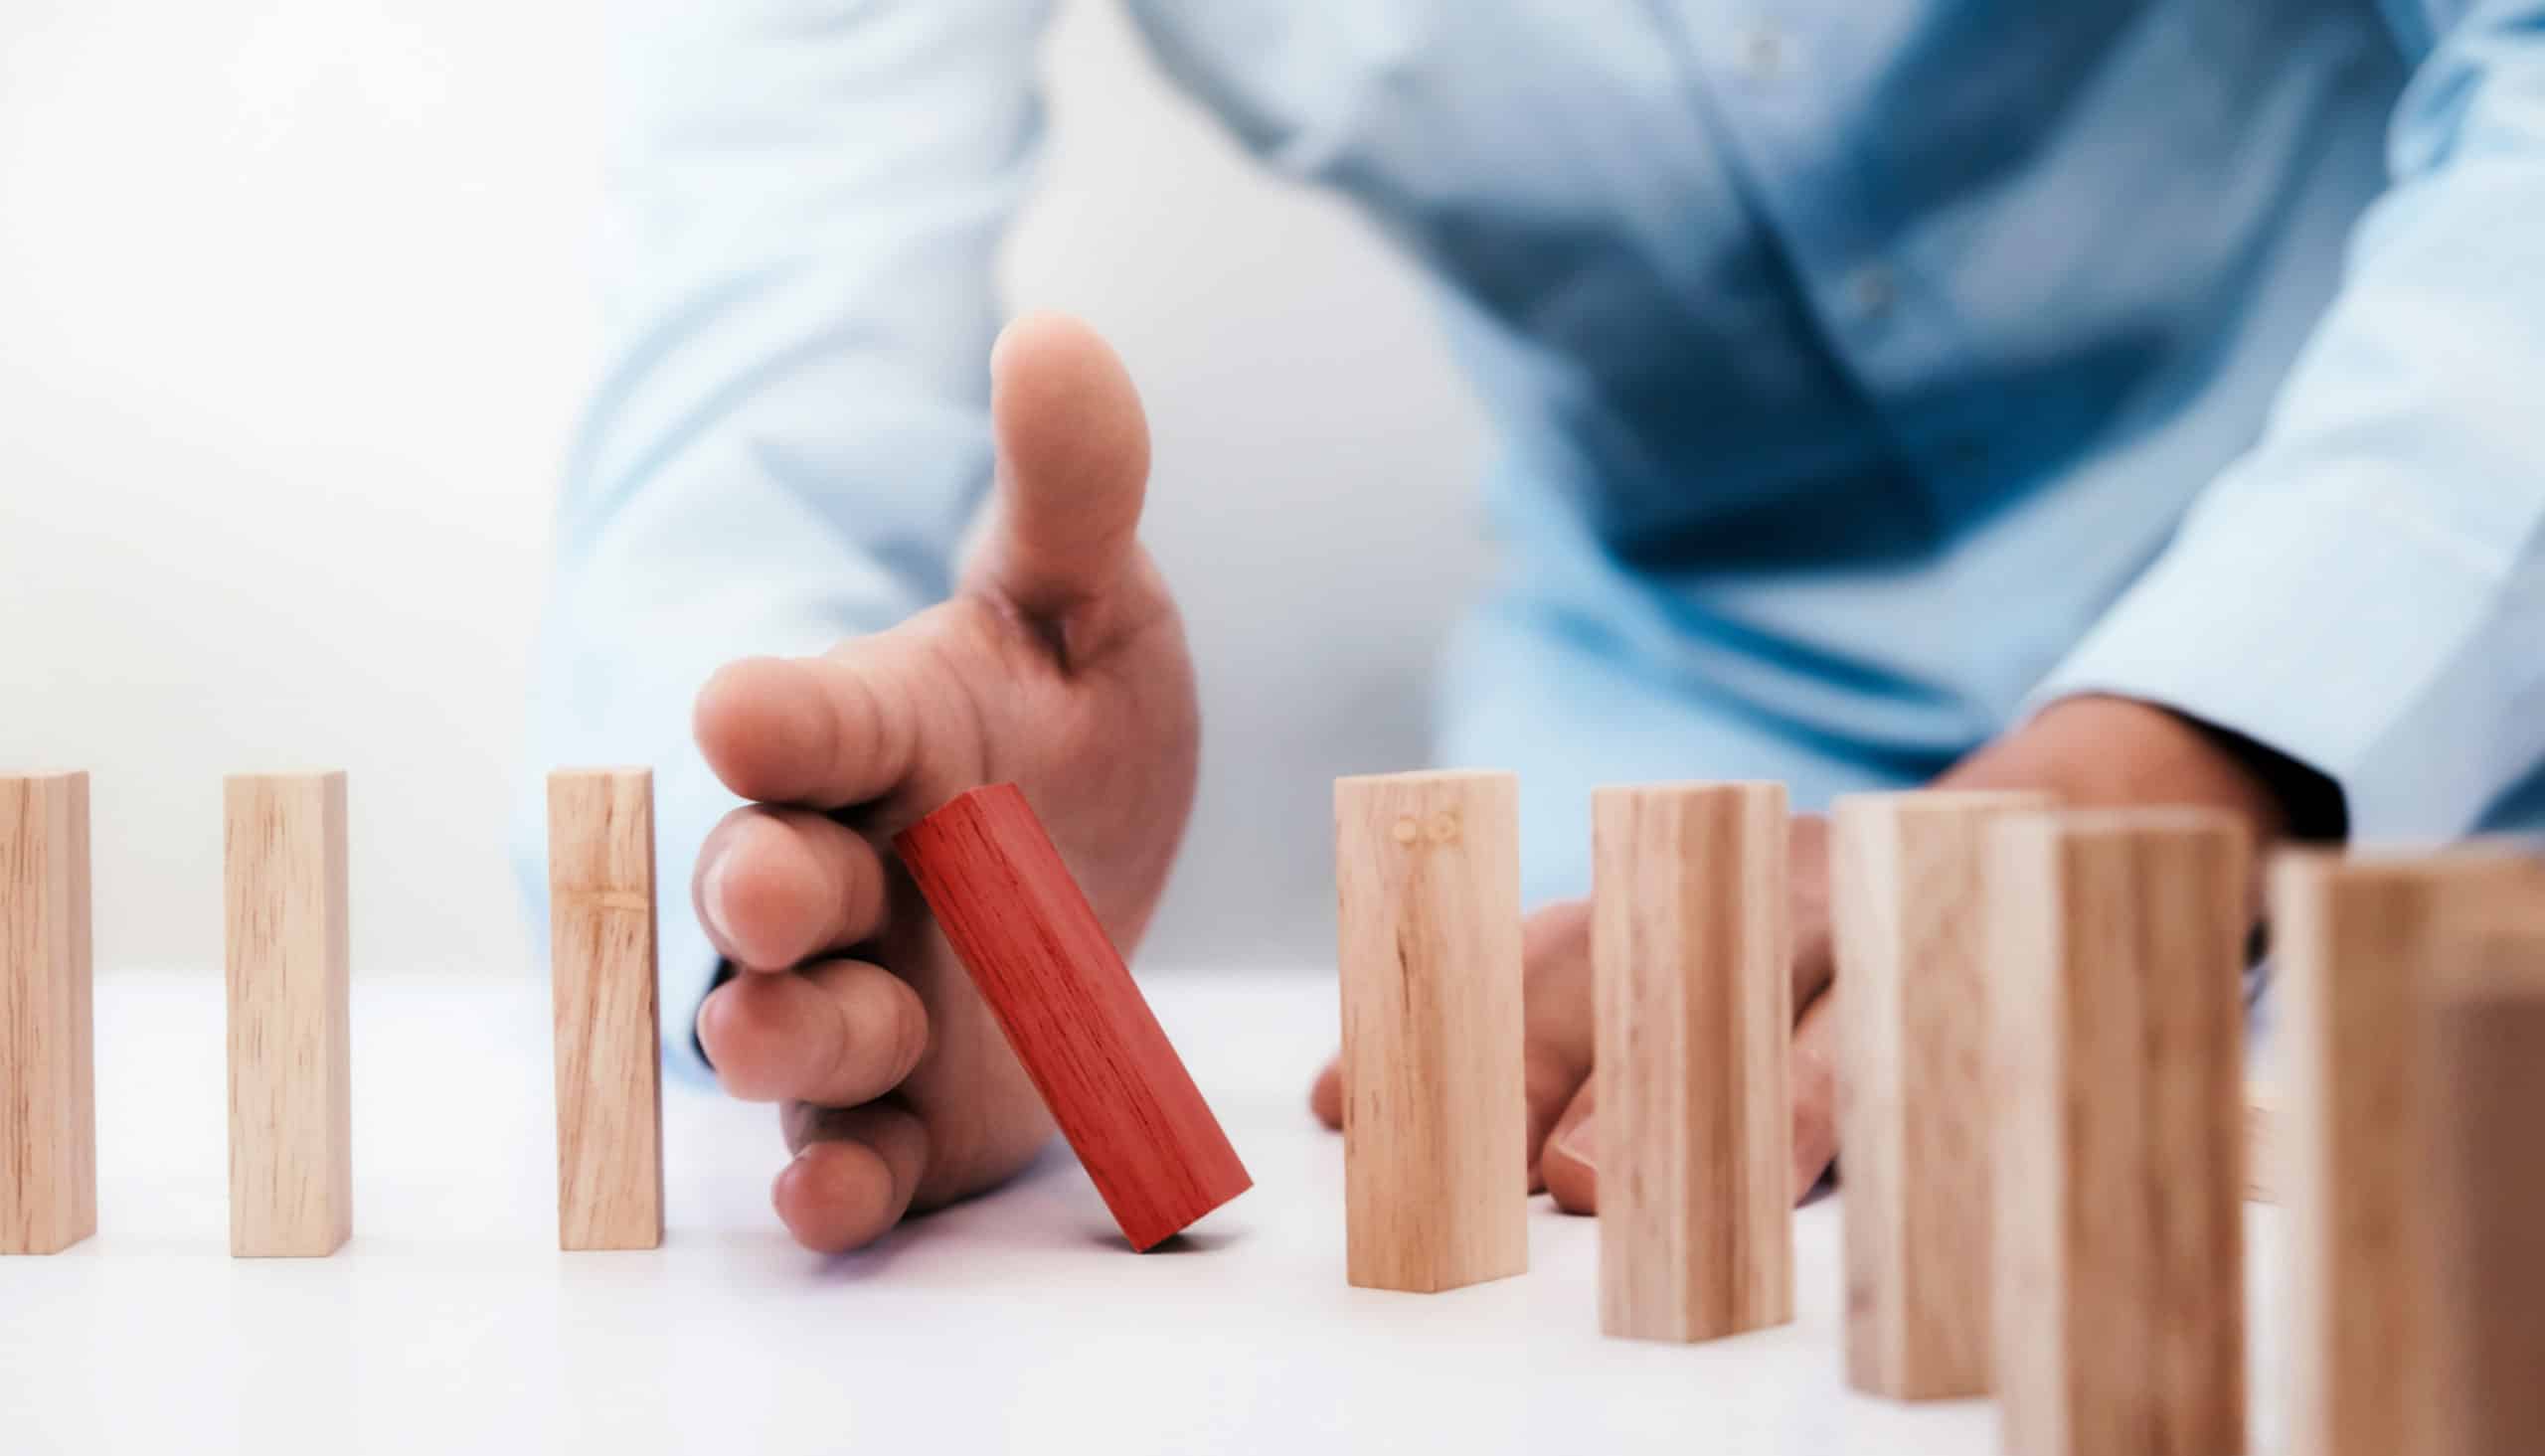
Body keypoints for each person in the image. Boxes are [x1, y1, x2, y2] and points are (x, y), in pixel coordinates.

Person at [522, 3, 2545, 1255]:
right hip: (1653, 787)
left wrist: (2189, 747)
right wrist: (814, 903)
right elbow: (751, 351)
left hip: (2440, 692)